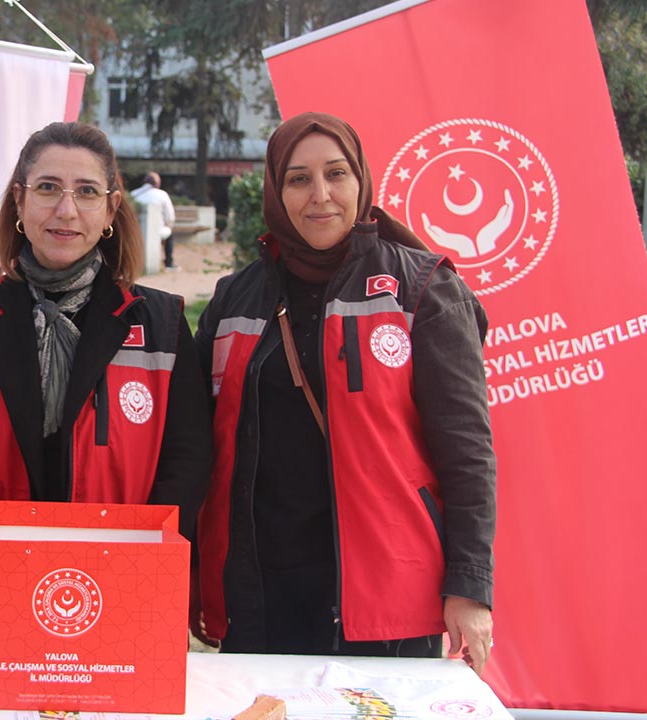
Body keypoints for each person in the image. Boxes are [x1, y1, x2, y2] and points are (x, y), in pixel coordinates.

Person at [193, 112, 496, 675]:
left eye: (336, 174)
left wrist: (471, 587)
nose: (320, 195)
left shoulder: (422, 288)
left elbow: (468, 452)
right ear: (276, 190)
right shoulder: (235, 297)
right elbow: (194, 444)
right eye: (298, 179)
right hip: (260, 591)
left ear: (362, 181)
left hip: (385, 591)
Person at [0, 122, 212, 634]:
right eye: (48, 188)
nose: (66, 209)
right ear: (20, 202)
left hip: (127, 582)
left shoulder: (159, 322)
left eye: (87, 192)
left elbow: (187, 458)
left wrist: (135, 553)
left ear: (112, 210)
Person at [131, 171, 178, 270]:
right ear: (157, 183)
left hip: (135, 231)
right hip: (158, 231)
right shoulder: (162, 194)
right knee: (170, 234)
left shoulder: (134, 194)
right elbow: (170, 217)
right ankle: (169, 263)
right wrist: (169, 226)